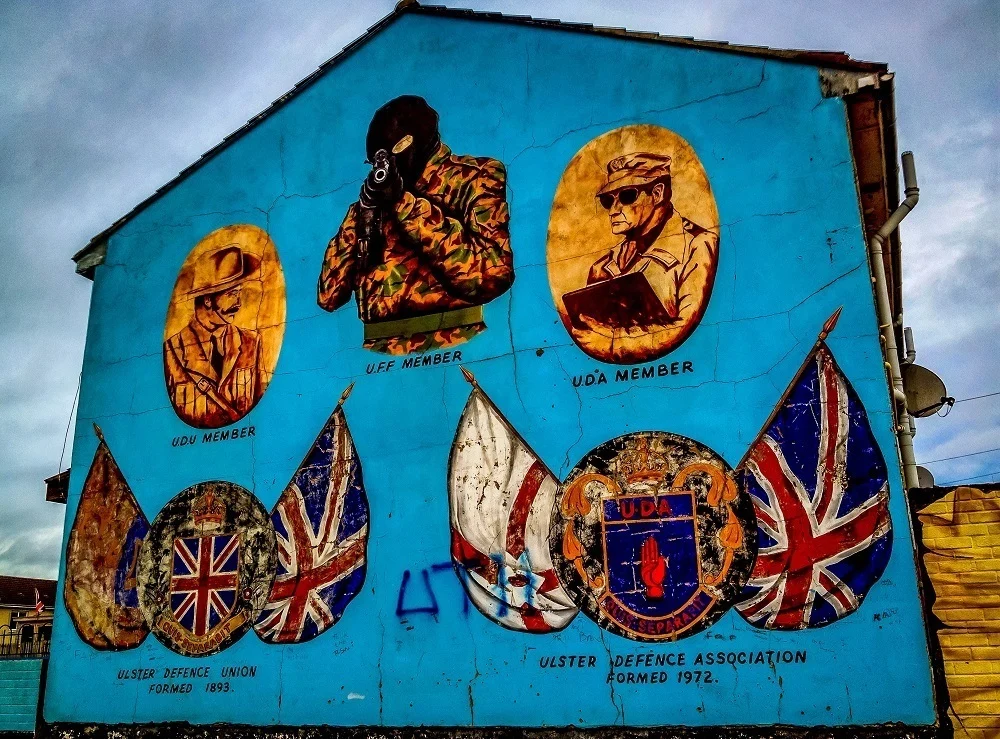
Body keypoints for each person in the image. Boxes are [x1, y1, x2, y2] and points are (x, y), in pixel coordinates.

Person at [317, 95, 514, 355]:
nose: (383, 166)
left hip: (453, 341)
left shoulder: (474, 177)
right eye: (375, 161)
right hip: (378, 352)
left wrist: (404, 203)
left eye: (391, 153)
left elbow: (491, 273)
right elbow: (328, 297)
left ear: (416, 140)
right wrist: (361, 216)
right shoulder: (372, 202)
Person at [568, 152, 718, 364]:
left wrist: (614, 342)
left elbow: (685, 325)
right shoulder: (602, 267)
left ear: (657, 194)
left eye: (627, 196)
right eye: (607, 200)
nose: (613, 210)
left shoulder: (697, 244)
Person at [164, 244, 266, 428]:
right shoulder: (172, 350)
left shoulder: (251, 342)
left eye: (240, 293)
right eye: (232, 294)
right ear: (208, 299)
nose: (239, 304)